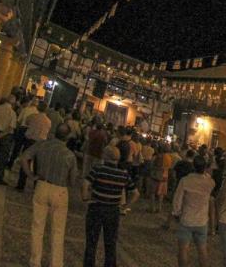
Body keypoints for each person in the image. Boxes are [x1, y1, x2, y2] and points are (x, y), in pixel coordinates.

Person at [21, 123, 78, 267]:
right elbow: (72, 180)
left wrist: (30, 174)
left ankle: (35, 261)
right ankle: (56, 263)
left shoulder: (42, 145)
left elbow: (24, 157)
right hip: (60, 191)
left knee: (37, 226)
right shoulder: (70, 155)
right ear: (68, 137)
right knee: (58, 231)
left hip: (42, 185)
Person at [82, 145, 138, 267]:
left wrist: (85, 197)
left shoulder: (97, 169)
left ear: (105, 156)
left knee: (91, 242)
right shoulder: (123, 174)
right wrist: (125, 206)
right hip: (113, 211)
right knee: (110, 243)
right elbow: (135, 193)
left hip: (96, 208)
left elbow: (85, 183)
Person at [170, 155, 215, 267]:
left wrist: (176, 213)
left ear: (193, 166)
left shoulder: (185, 181)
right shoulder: (210, 182)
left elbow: (177, 199)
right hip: (202, 220)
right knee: (202, 249)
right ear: (205, 167)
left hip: (186, 218)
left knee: (183, 249)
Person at [17, 102, 52, 190]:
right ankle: (36, 186)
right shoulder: (48, 121)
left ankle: (21, 185)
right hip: (41, 144)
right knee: (38, 166)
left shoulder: (33, 116)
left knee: (25, 163)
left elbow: (27, 122)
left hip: (29, 141)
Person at [0, 96, 17, 184]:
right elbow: (10, 128)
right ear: (12, 104)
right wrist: (1, 135)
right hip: (5, 136)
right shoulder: (12, 113)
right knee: (2, 157)